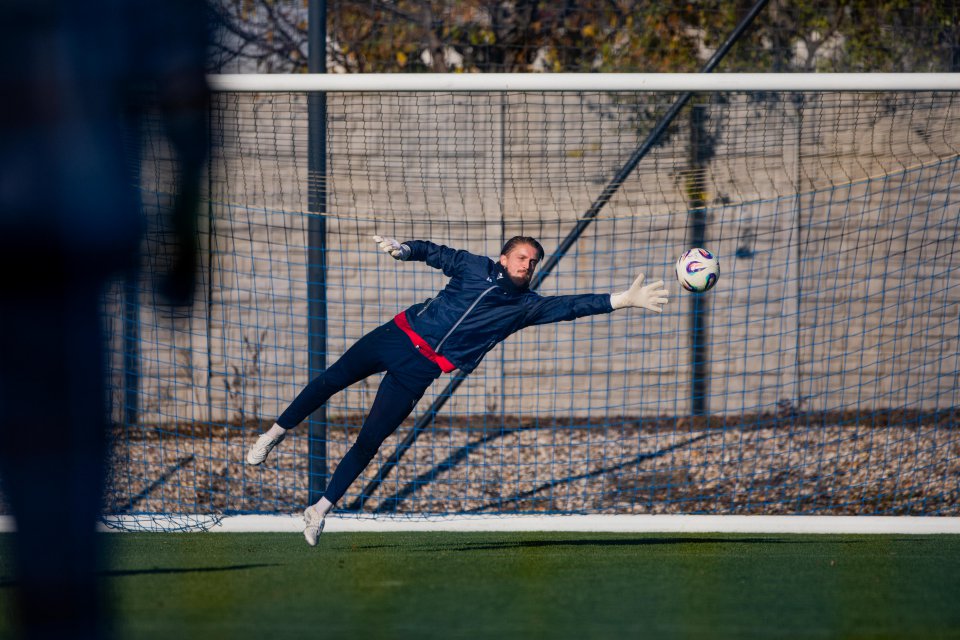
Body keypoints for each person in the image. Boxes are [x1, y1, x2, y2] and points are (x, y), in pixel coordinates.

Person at [0, 2, 209, 638]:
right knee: (62, 480)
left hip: (53, 254)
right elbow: (182, 81)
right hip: (62, 246)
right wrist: (184, 224)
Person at [246, 235, 668, 546]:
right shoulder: (472, 266)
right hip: (396, 336)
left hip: (420, 370)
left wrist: (622, 300)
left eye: (534, 261)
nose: (528, 265)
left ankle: (319, 510)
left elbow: (571, 306)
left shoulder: (526, 306)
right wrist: (406, 249)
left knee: (370, 441)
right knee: (329, 381)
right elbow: (436, 253)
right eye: (522, 257)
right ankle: (273, 435)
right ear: (504, 257)